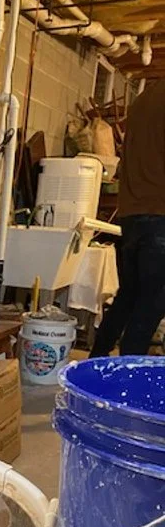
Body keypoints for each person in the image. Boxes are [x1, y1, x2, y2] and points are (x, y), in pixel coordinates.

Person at [90, 79, 165, 357]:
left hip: (133, 214)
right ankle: (125, 381)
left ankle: (96, 361)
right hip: (160, 214)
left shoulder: (145, 98)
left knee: (130, 296)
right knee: (151, 304)